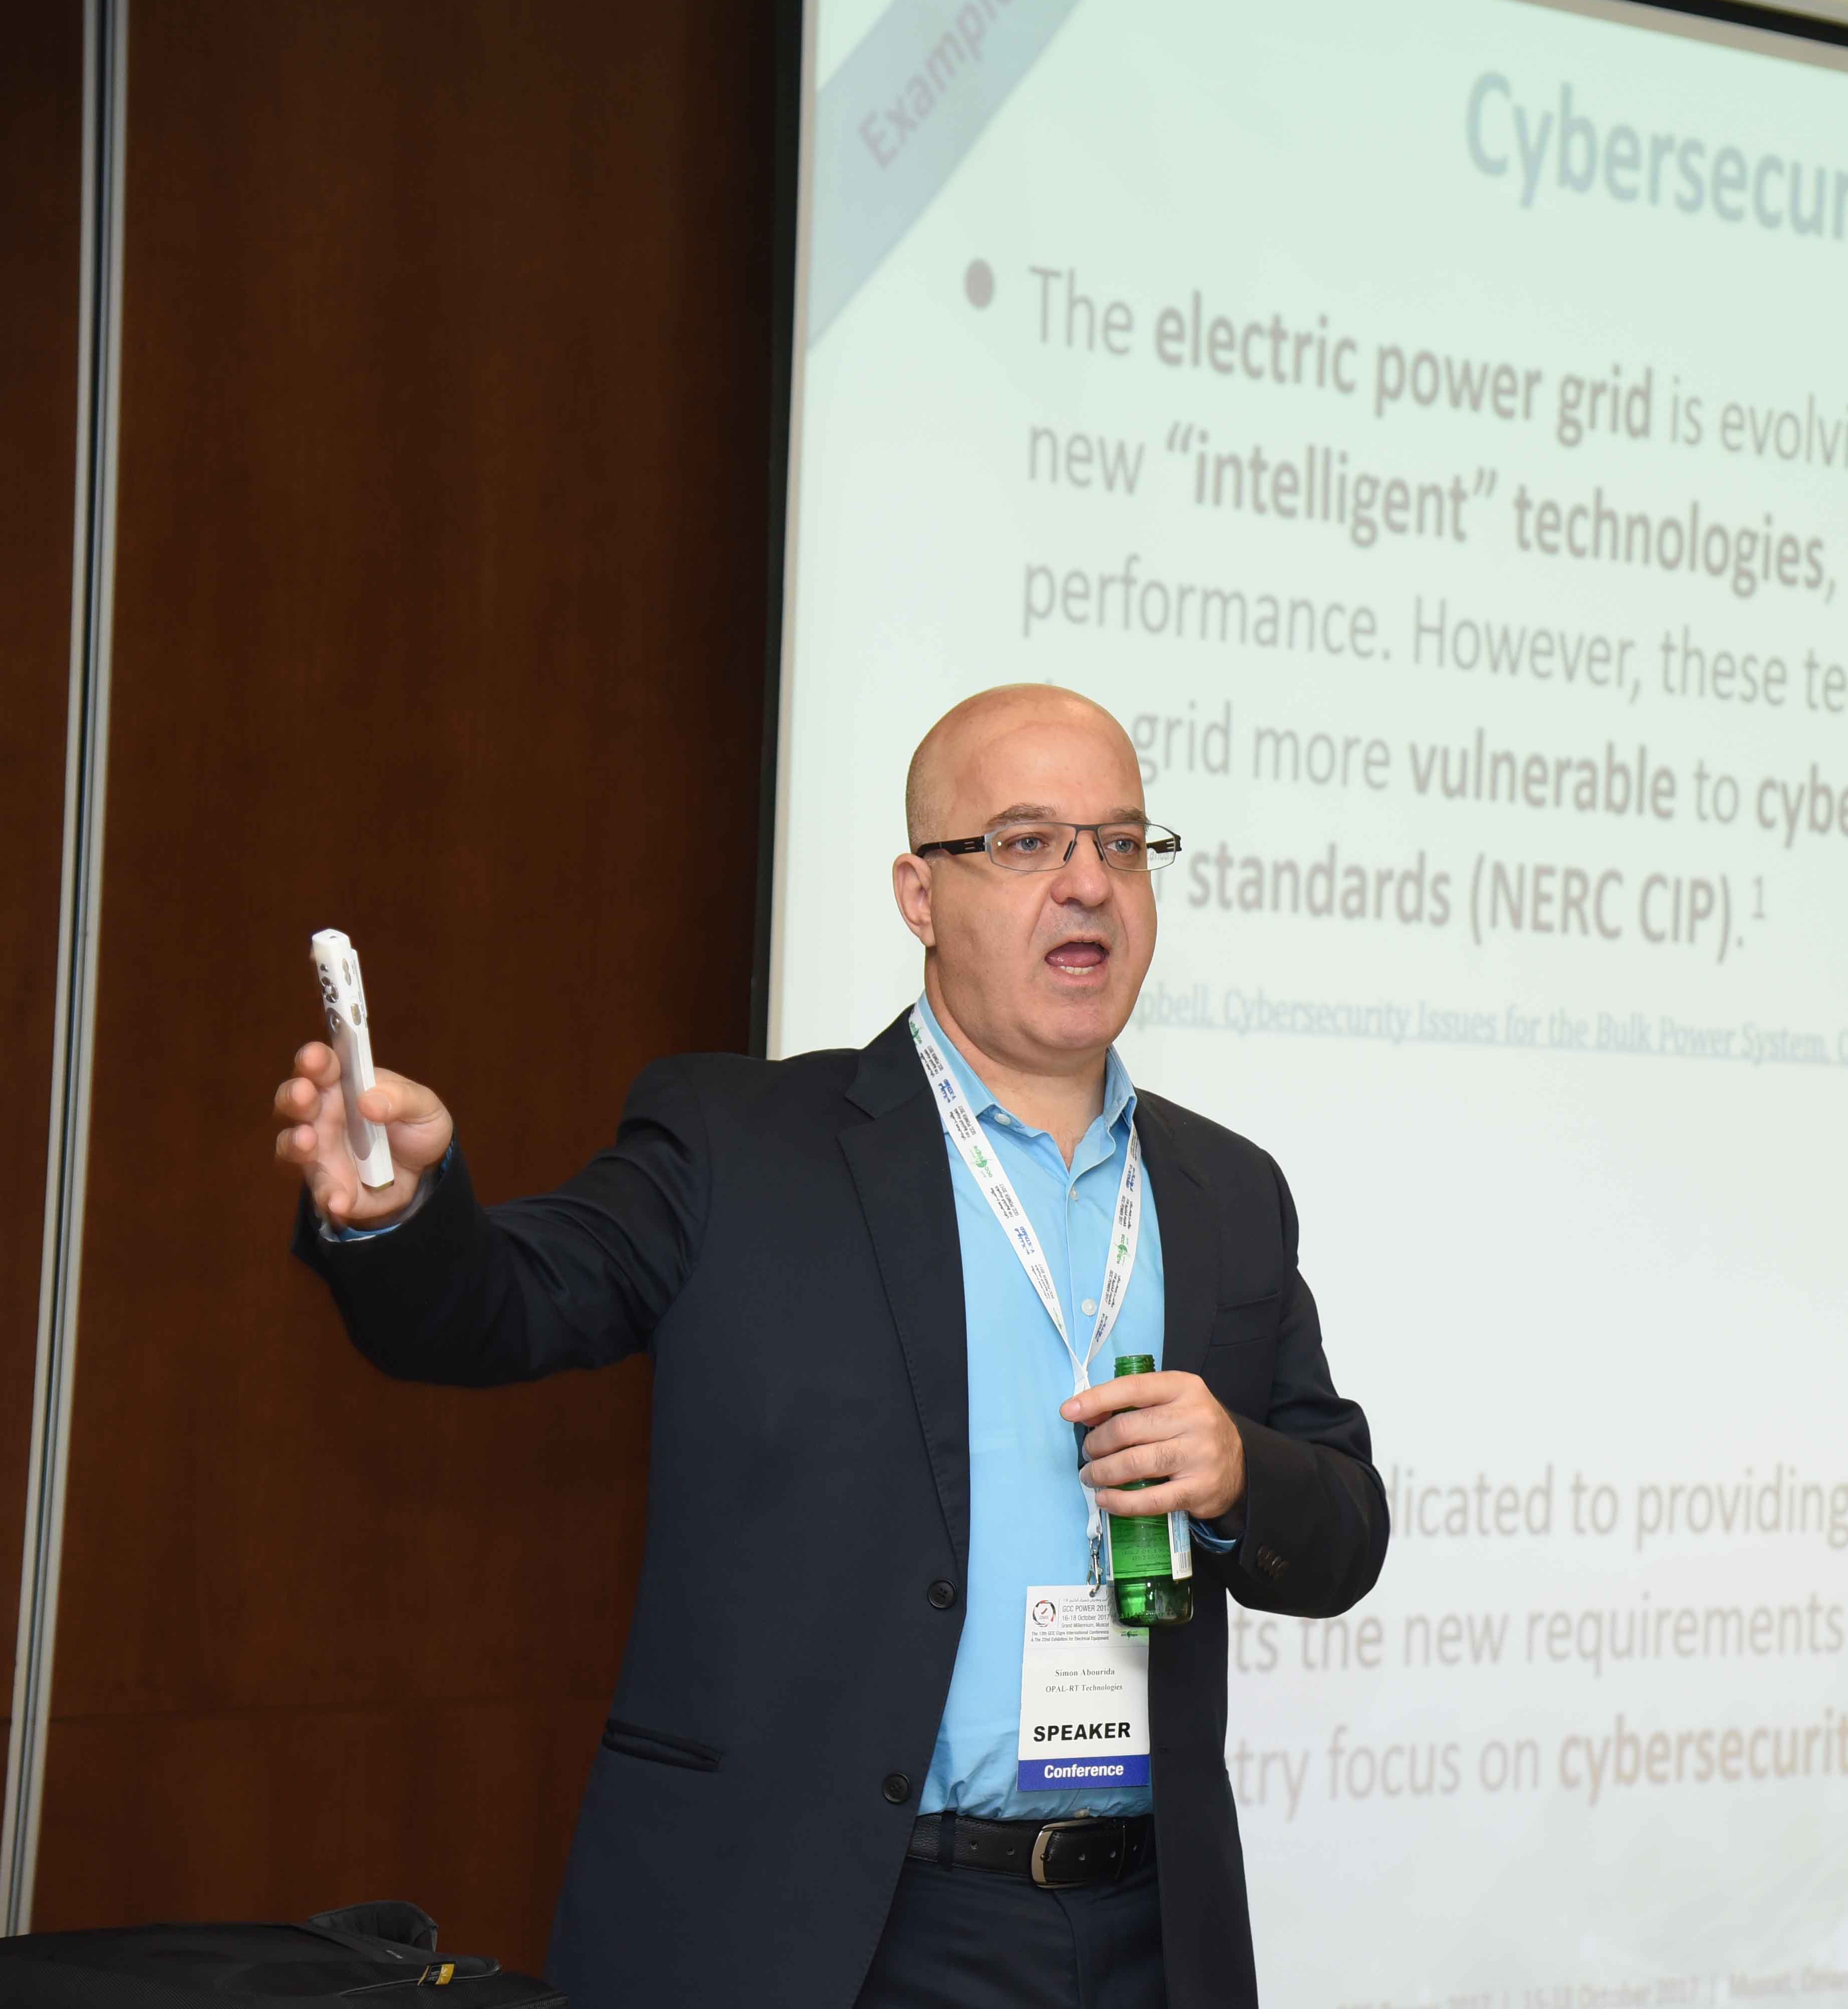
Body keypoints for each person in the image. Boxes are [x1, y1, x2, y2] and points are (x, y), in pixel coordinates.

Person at [270, 685, 1386, 2009]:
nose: (1089, 883)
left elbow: (1344, 1529)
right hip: (832, 1932)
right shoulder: (742, 1144)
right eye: (1026, 842)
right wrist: (401, 1214)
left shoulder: (1224, 1190)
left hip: (1149, 1933)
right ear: (920, 896)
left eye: (1122, 843)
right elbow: (496, 1306)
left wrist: (1240, 1473)